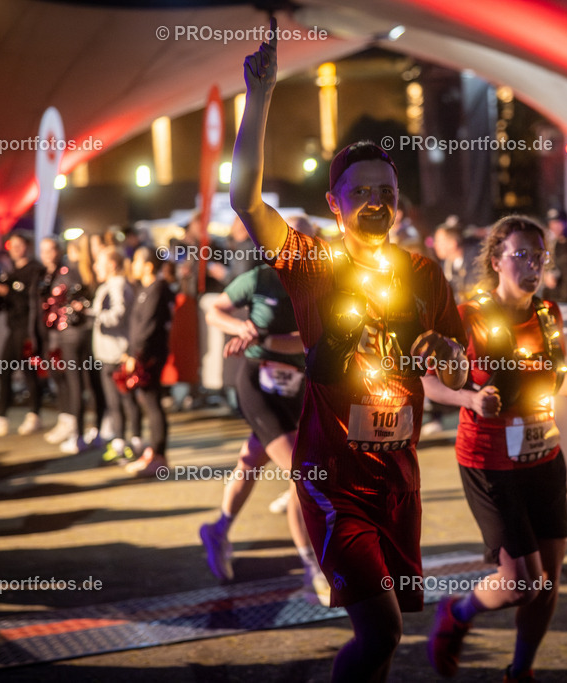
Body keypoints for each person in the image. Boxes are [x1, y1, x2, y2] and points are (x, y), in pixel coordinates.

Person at [230, 21, 468, 682]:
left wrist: (443, 352)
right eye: (360, 191)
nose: (375, 202)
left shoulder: (424, 274)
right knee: (382, 628)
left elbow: (454, 363)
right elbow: (242, 198)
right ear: (335, 204)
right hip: (333, 479)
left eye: (385, 193)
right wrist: (260, 98)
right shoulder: (311, 261)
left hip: (400, 476)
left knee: (388, 635)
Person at [422, 215, 567, 682]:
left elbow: (552, 377)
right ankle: (457, 613)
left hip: (544, 457)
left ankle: (520, 672)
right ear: (496, 260)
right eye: (521, 255)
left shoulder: (548, 313)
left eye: (539, 255)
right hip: (490, 463)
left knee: (547, 583)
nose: (532, 264)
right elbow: (430, 382)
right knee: (521, 585)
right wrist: (469, 397)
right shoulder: (468, 314)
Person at [198, 253, 330, 605]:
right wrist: (240, 328)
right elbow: (214, 311)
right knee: (302, 474)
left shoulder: (325, 283)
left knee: (253, 458)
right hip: (259, 382)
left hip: (299, 386)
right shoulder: (261, 278)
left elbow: (313, 341)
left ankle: (218, 529)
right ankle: (312, 567)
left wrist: (265, 339)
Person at [0, 231, 46, 437]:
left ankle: (31, 414)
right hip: (14, 327)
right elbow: (4, 302)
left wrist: (10, 293)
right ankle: (3, 417)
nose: (15, 250)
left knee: (25, 372)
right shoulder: (11, 270)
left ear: (27, 246)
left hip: (28, 329)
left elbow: (32, 302)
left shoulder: (35, 270)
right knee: (7, 371)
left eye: (19, 245)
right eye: (12, 245)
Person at [42, 234, 100, 454]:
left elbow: (70, 302)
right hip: (78, 334)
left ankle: (78, 435)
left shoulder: (69, 272)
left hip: (72, 334)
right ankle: (90, 430)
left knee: (77, 383)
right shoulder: (84, 270)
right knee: (85, 382)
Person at [122, 246, 175, 477]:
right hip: (141, 354)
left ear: (148, 266)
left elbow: (149, 327)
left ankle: (159, 457)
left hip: (150, 356)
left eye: (135, 261)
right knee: (147, 401)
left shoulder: (158, 289)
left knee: (153, 404)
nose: (132, 266)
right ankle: (152, 452)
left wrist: (137, 355)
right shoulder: (145, 289)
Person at [91, 246, 140, 462]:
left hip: (117, 354)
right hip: (110, 353)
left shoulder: (117, 285)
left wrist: (92, 315)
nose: (94, 267)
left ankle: (131, 442)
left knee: (125, 401)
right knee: (116, 402)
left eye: (98, 263)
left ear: (111, 265)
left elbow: (118, 315)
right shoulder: (110, 285)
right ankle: (122, 441)